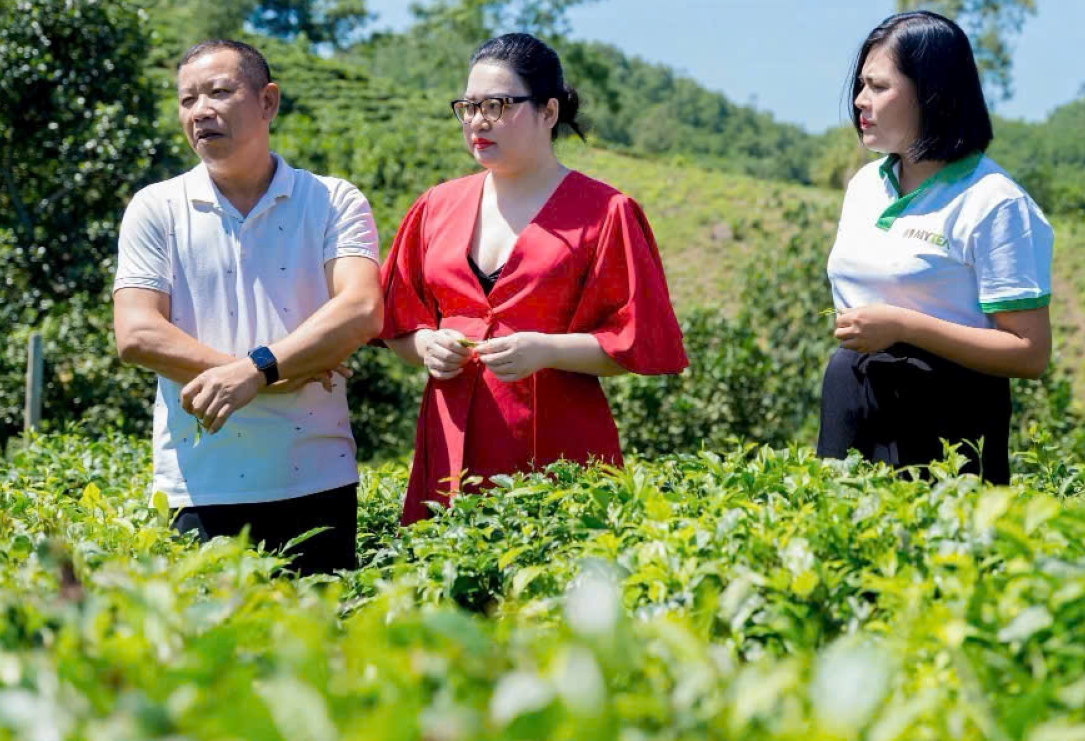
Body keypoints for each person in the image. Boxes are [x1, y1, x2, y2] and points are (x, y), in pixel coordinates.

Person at [378, 33, 687, 524]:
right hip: (449, 434)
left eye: (497, 105)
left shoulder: (607, 212)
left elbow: (635, 343)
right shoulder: (436, 205)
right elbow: (395, 322)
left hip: (559, 439)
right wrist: (425, 345)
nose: (478, 121)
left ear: (549, 111)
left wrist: (546, 350)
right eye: (468, 107)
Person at [113, 39, 383, 575]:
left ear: (268, 102)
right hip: (198, 483)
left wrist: (256, 371)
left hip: (318, 476)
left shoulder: (333, 200)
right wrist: (265, 374)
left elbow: (361, 308)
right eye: (187, 99)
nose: (200, 111)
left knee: (321, 629)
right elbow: (137, 333)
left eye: (218, 92)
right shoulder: (155, 207)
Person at [818, 11, 1053, 482]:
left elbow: (1029, 352)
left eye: (879, 87)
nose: (860, 100)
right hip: (855, 400)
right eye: (861, 85)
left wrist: (904, 326)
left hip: (949, 421)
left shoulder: (994, 201)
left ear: (931, 93)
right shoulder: (865, 186)